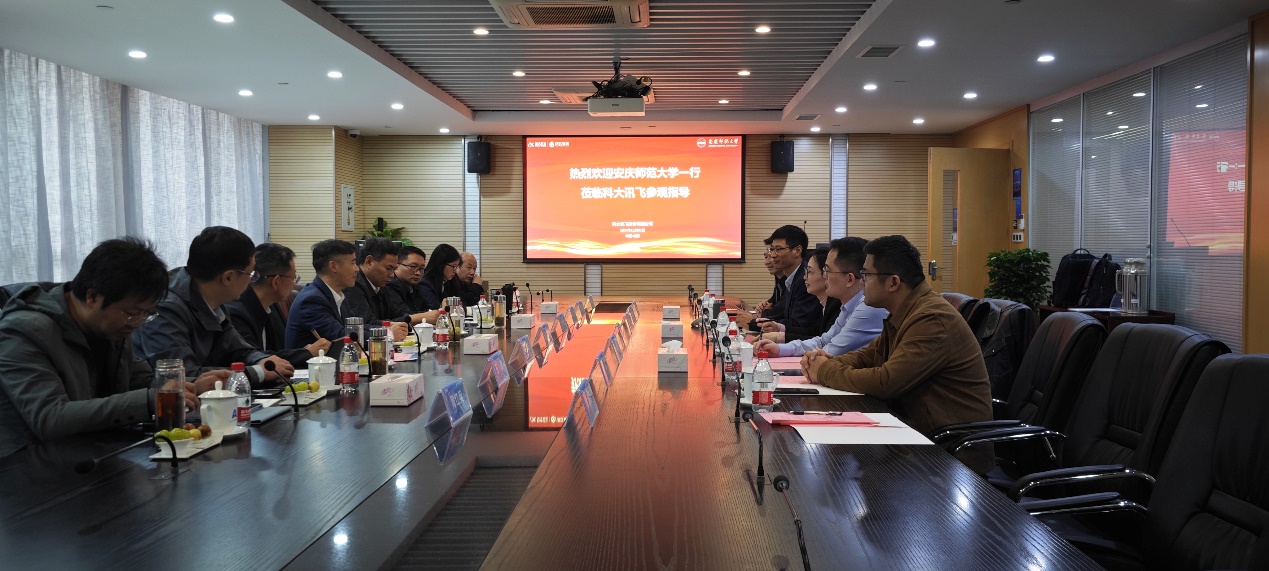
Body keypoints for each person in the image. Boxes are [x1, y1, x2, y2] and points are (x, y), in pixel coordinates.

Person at [0, 238, 229, 457]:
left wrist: (190, 386)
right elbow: (50, 418)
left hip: (94, 454)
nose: (138, 323)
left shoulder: (110, 325)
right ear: (92, 297)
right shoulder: (23, 332)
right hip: (30, 468)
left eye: (146, 313)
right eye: (132, 313)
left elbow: (141, 381)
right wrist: (153, 399)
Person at [802, 235, 993, 473]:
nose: (861, 281)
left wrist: (824, 370)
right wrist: (826, 361)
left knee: (832, 467)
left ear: (893, 283)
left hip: (949, 454)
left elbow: (886, 381)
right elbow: (868, 356)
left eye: (866, 275)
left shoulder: (931, 318)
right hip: (917, 435)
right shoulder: (906, 311)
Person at [133, 227, 295, 386]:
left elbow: (239, 349)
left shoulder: (213, 297)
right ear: (228, 277)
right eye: (251, 274)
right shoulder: (165, 307)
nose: (252, 280)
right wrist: (258, 372)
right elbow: (182, 375)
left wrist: (264, 361)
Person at [755, 237, 886, 358]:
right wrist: (779, 349)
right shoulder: (848, 305)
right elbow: (823, 341)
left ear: (849, 279)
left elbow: (830, 351)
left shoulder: (867, 307)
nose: (824, 276)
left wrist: (802, 353)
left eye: (827, 270)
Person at [225, 243, 331, 368]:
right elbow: (252, 358)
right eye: (293, 277)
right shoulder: (235, 312)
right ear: (276, 281)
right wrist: (307, 353)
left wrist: (304, 352)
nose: (294, 284)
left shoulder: (271, 305)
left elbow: (277, 352)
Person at [342, 238, 431, 341]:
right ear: (369, 262)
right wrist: (390, 330)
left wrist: (403, 322)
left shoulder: (381, 285)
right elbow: (366, 323)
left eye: (394, 269)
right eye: (388, 268)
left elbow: (397, 315)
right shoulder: (353, 286)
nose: (392, 275)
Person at [754, 247, 842, 343]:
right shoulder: (826, 304)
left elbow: (825, 342)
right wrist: (779, 328)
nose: (805, 277)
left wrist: (779, 337)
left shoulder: (837, 306)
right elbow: (814, 331)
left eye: (810, 272)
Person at [285, 239, 360, 351]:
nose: (357, 269)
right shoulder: (311, 301)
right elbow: (342, 337)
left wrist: (384, 329)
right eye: (353, 263)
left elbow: (356, 326)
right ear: (333, 266)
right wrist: (384, 334)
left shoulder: (337, 294)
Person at [766, 225, 821, 332]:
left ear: (797, 251)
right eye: (771, 249)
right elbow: (785, 315)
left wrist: (755, 323)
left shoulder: (805, 280)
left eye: (778, 249)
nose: (772, 255)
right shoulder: (791, 278)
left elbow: (799, 324)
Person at [737, 249, 786, 331]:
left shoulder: (798, 281)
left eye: (771, 256)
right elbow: (773, 304)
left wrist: (754, 320)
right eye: (766, 257)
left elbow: (779, 313)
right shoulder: (779, 279)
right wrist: (762, 307)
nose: (766, 262)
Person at [385, 245, 431, 313]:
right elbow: (405, 314)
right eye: (413, 267)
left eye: (421, 268)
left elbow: (428, 309)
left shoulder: (414, 286)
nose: (418, 273)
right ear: (396, 266)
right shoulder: (390, 286)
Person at [418, 244, 463, 311]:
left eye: (457, 267)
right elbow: (434, 309)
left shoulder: (450, 281)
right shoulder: (425, 285)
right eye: (453, 266)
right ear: (441, 264)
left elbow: (460, 303)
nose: (455, 270)